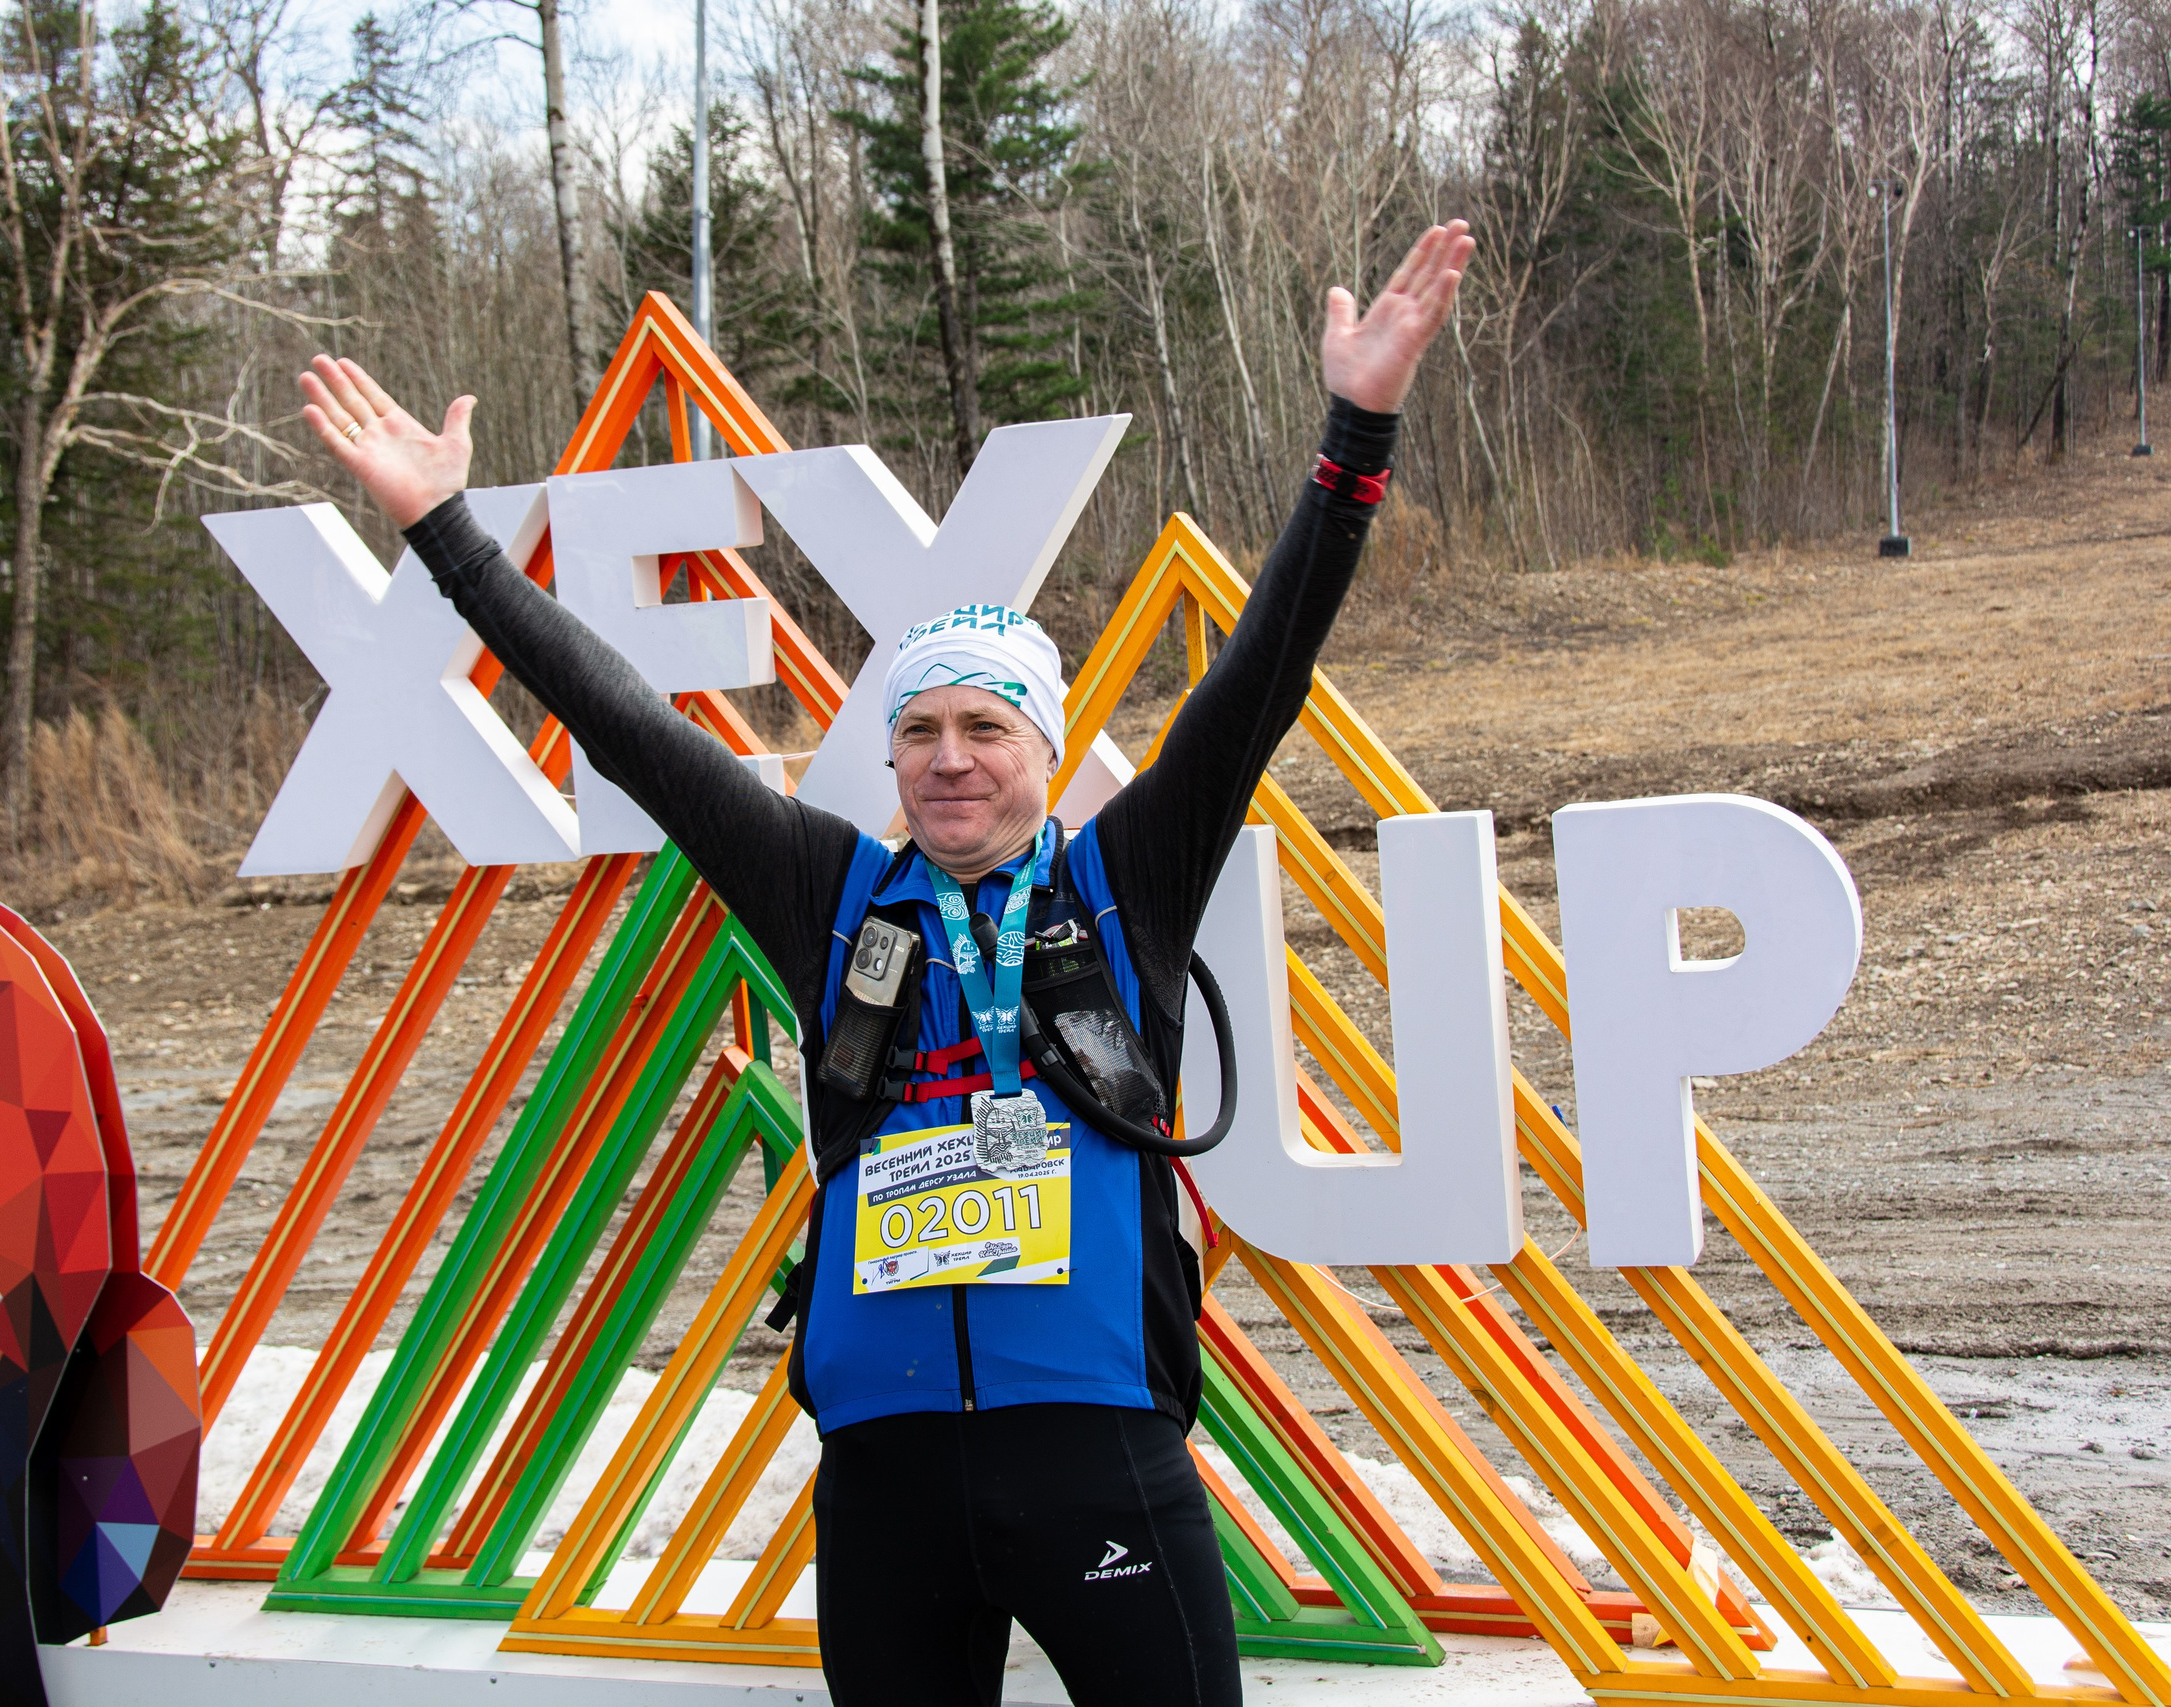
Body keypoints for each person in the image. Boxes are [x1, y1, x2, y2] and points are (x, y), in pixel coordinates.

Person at [296, 220, 1472, 1707]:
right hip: (886, 1470)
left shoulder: (1126, 878)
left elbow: (1268, 664)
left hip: (1097, 1446)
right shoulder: (827, 893)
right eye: (917, 731)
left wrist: (1357, 429)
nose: (949, 760)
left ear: (1045, 750)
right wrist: (449, 534)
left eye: (986, 729)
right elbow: (624, 727)